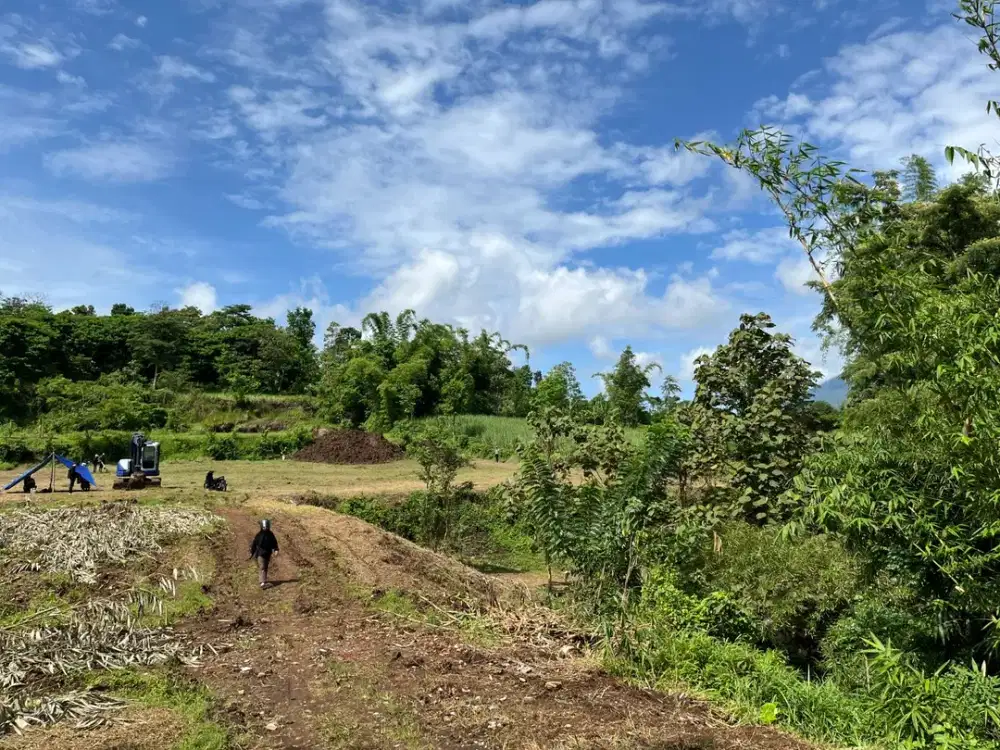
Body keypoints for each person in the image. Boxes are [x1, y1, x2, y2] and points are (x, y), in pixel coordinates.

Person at [249, 519, 279, 589]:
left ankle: (264, 581)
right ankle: (262, 583)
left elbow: (274, 542)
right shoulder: (259, 535)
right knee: (262, 567)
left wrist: (276, 549)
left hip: (267, 553)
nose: (265, 528)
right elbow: (254, 544)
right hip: (260, 553)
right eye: (264, 527)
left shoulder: (271, 534)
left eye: (266, 527)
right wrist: (252, 552)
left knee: (265, 567)